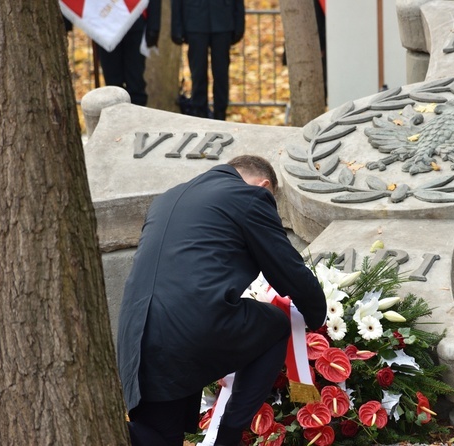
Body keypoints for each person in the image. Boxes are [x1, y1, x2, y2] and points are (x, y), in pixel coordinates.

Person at [117, 155, 327, 446]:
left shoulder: (167, 199)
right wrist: (317, 317)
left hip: (137, 337)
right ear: (264, 185)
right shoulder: (250, 196)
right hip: (194, 324)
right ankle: (227, 436)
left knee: (160, 436)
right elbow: (286, 268)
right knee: (277, 324)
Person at [171, 0, 245, 120]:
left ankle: (220, 114)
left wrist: (239, 24)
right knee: (198, 74)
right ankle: (199, 113)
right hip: (194, 22)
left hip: (223, 21)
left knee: (221, 74)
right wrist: (176, 27)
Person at [97, 1, 161, 106]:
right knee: (112, 86)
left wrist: (154, 25)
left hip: (135, 20)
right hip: (105, 25)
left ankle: (136, 121)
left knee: (136, 84)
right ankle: (116, 120)